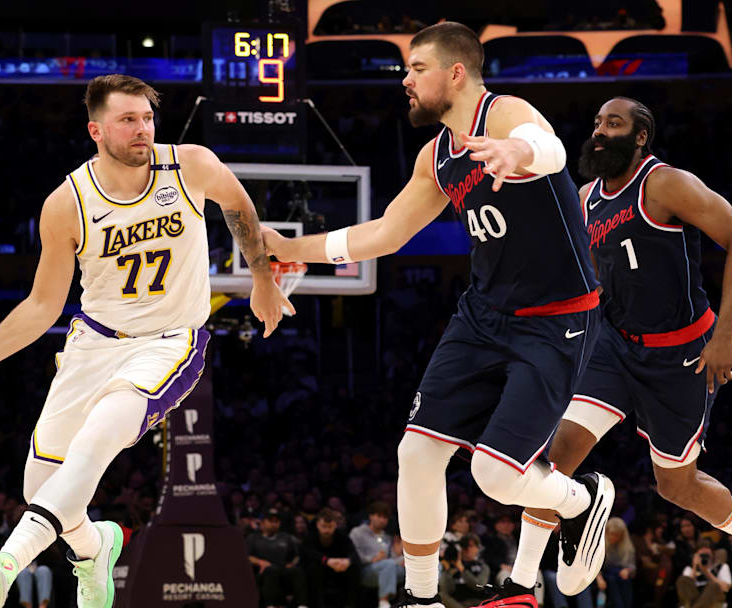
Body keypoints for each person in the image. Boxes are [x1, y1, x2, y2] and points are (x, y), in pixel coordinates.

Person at [262, 21, 613, 608]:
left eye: (416, 68)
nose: (405, 79)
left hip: (556, 319)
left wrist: (519, 149)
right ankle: (421, 598)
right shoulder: (437, 157)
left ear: (455, 72)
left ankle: (582, 500)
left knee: (494, 476)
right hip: (483, 316)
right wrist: (293, 249)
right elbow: (386, 233)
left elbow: (547, 148)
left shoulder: (504, 114)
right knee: (416, 453)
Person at [0, 73, 291, 608]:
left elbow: (240, 210)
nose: (142, 129)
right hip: (93, 344)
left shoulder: (190, 165)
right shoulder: (66, 203)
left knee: (99, 438)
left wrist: (262, 277)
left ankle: (0, 569)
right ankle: (96, 549)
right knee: (42, 489)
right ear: (96, 129)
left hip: (168, 342)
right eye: (128, 120)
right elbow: (41, 306)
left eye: (147, 117)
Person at [509, 96, 732, 608]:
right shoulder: (586, 196)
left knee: (675, 486)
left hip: (681, 353)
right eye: (596, 121)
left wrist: (725, 333)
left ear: (640, 137)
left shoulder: (664, 183)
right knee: (557, 452)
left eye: (613, 123)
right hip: (614, 346)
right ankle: (521, 585)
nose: (600, 131)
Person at [246, 508, 308, 608]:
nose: (274, 524)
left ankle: (302, 605)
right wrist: (259, 562)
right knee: (271, 570)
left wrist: (292, 563)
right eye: (271, 521)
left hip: (283, 571)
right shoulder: (253, 538)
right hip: (262, 573)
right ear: (262, 522)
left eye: (277, 521)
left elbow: (297, 556)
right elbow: (246, 556)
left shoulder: (286, 537)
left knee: (298, 571)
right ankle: (269, 605)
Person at [301, 508, 359, 608]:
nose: (327, 530)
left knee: (355, 568)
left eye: (330, 527)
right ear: (317, 524)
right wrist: (326, 561)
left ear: (335, 525)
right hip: (317, 570)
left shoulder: (342, 536)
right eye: (324, 526)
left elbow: (354, 554)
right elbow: (308, 554)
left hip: (338, 569)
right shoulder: (310, 537)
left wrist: (347, 561)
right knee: (314, 567)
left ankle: (350, 605)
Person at [349, 502, 404, 608]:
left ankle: (419, 599)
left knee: (411, 565)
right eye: (379, 516)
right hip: (365, 570)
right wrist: (372, 559)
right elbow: (352, 554)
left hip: (386, 569)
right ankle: (383, 601)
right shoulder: (357, 532)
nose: (382, 520)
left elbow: (391, 559)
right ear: (371, 516)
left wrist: (402, 559)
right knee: (388, 565)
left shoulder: (387, 537)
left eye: (385, 517)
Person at [676, 540, 732, 608]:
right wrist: (695, 567)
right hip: (694, 596)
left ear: (713, 553)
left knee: (713, 585)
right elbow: (686, 587)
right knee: (683, 580)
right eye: (702, 555)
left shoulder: (722, 567)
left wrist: (705, 571)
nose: (704, 557)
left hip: (714, 598)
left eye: (706, 555)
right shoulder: (689, 568)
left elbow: (725, 588)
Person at [601, 518, 635, 608]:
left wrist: (627, 570)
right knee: (612, 579)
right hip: (604, 575)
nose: (613, 538)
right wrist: (599, 579)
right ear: (606, 532)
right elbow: (594, 568)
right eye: (612, 534)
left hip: (621, 575)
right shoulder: (600, 546)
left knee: (625, 579)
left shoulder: (627, 547)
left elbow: (632, 566)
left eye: (617, 535)